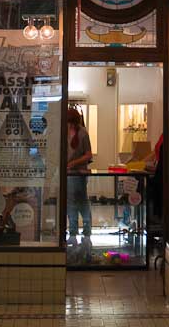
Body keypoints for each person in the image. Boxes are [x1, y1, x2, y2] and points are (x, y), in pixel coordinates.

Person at [66, 108, 93, 254]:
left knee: (81, 202)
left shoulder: (82, 133)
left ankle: (86, 232)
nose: (69, 126)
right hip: (68, 174)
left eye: (70, 123)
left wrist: (74, 163)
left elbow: (89, 154)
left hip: (79, 173)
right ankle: (73, 233)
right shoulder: (65, 132)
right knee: (71, 203)